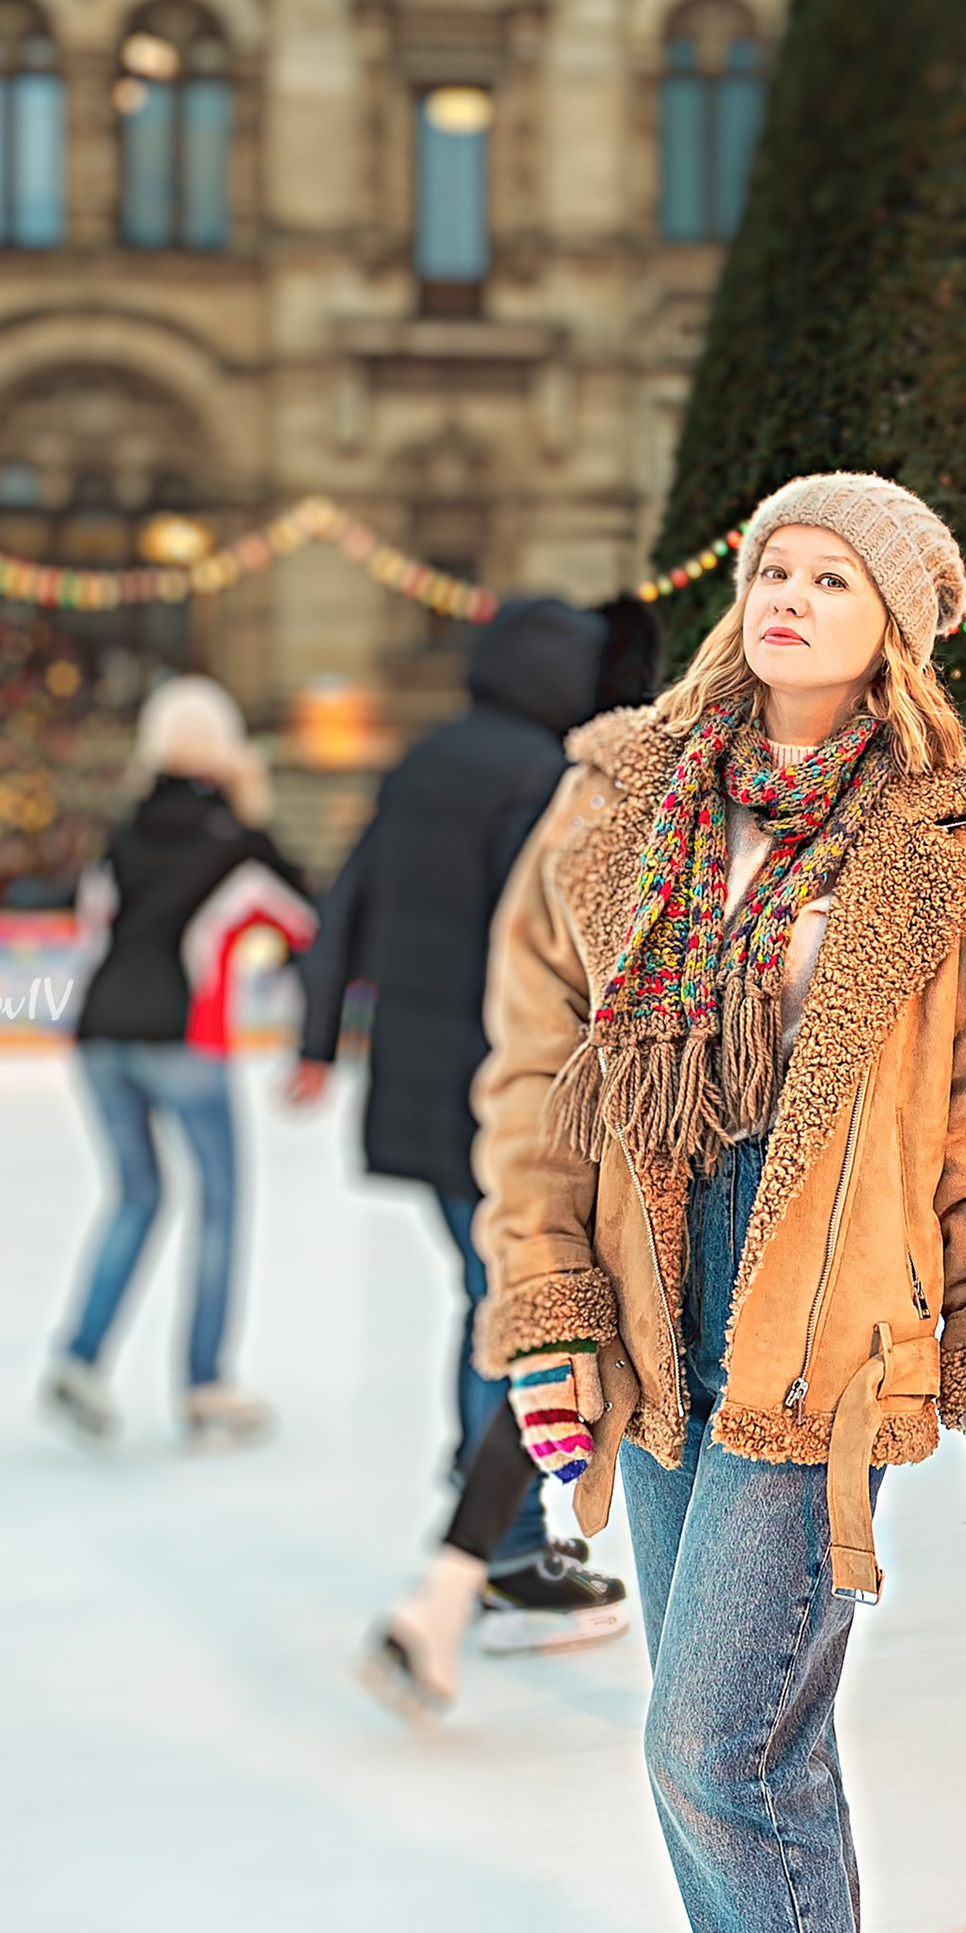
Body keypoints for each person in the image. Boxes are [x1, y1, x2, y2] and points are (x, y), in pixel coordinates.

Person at [475, 473, 966, 1933]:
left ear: (898, 633)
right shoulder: (620, 796)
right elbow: (532, 1069)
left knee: (709, 1746)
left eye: (833, 580)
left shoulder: (943, 841)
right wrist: (549, 1301)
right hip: (650, 1288)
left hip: (827, 1314)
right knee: (758, 1746)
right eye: (774, 567)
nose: (786, 595)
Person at [294, 595, 658, 1681]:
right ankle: (498, 1543)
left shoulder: (422, 762)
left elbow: (344, 899)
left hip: (410, 1078)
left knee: (490, 1297)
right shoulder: (538, 775)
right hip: (492, 1084)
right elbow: (550, 946)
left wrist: (318, 1037)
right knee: (513, 1302)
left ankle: (494, 1529)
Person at [42, 677, 314, 1451]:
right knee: (219, 1204)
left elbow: (93, 929)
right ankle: (203, 1385)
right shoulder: (236, 844)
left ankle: (78, 1357)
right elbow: (304, 922)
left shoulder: (119, 840)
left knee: (135, 1195)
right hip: (185, 1040)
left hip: (99, 1036)